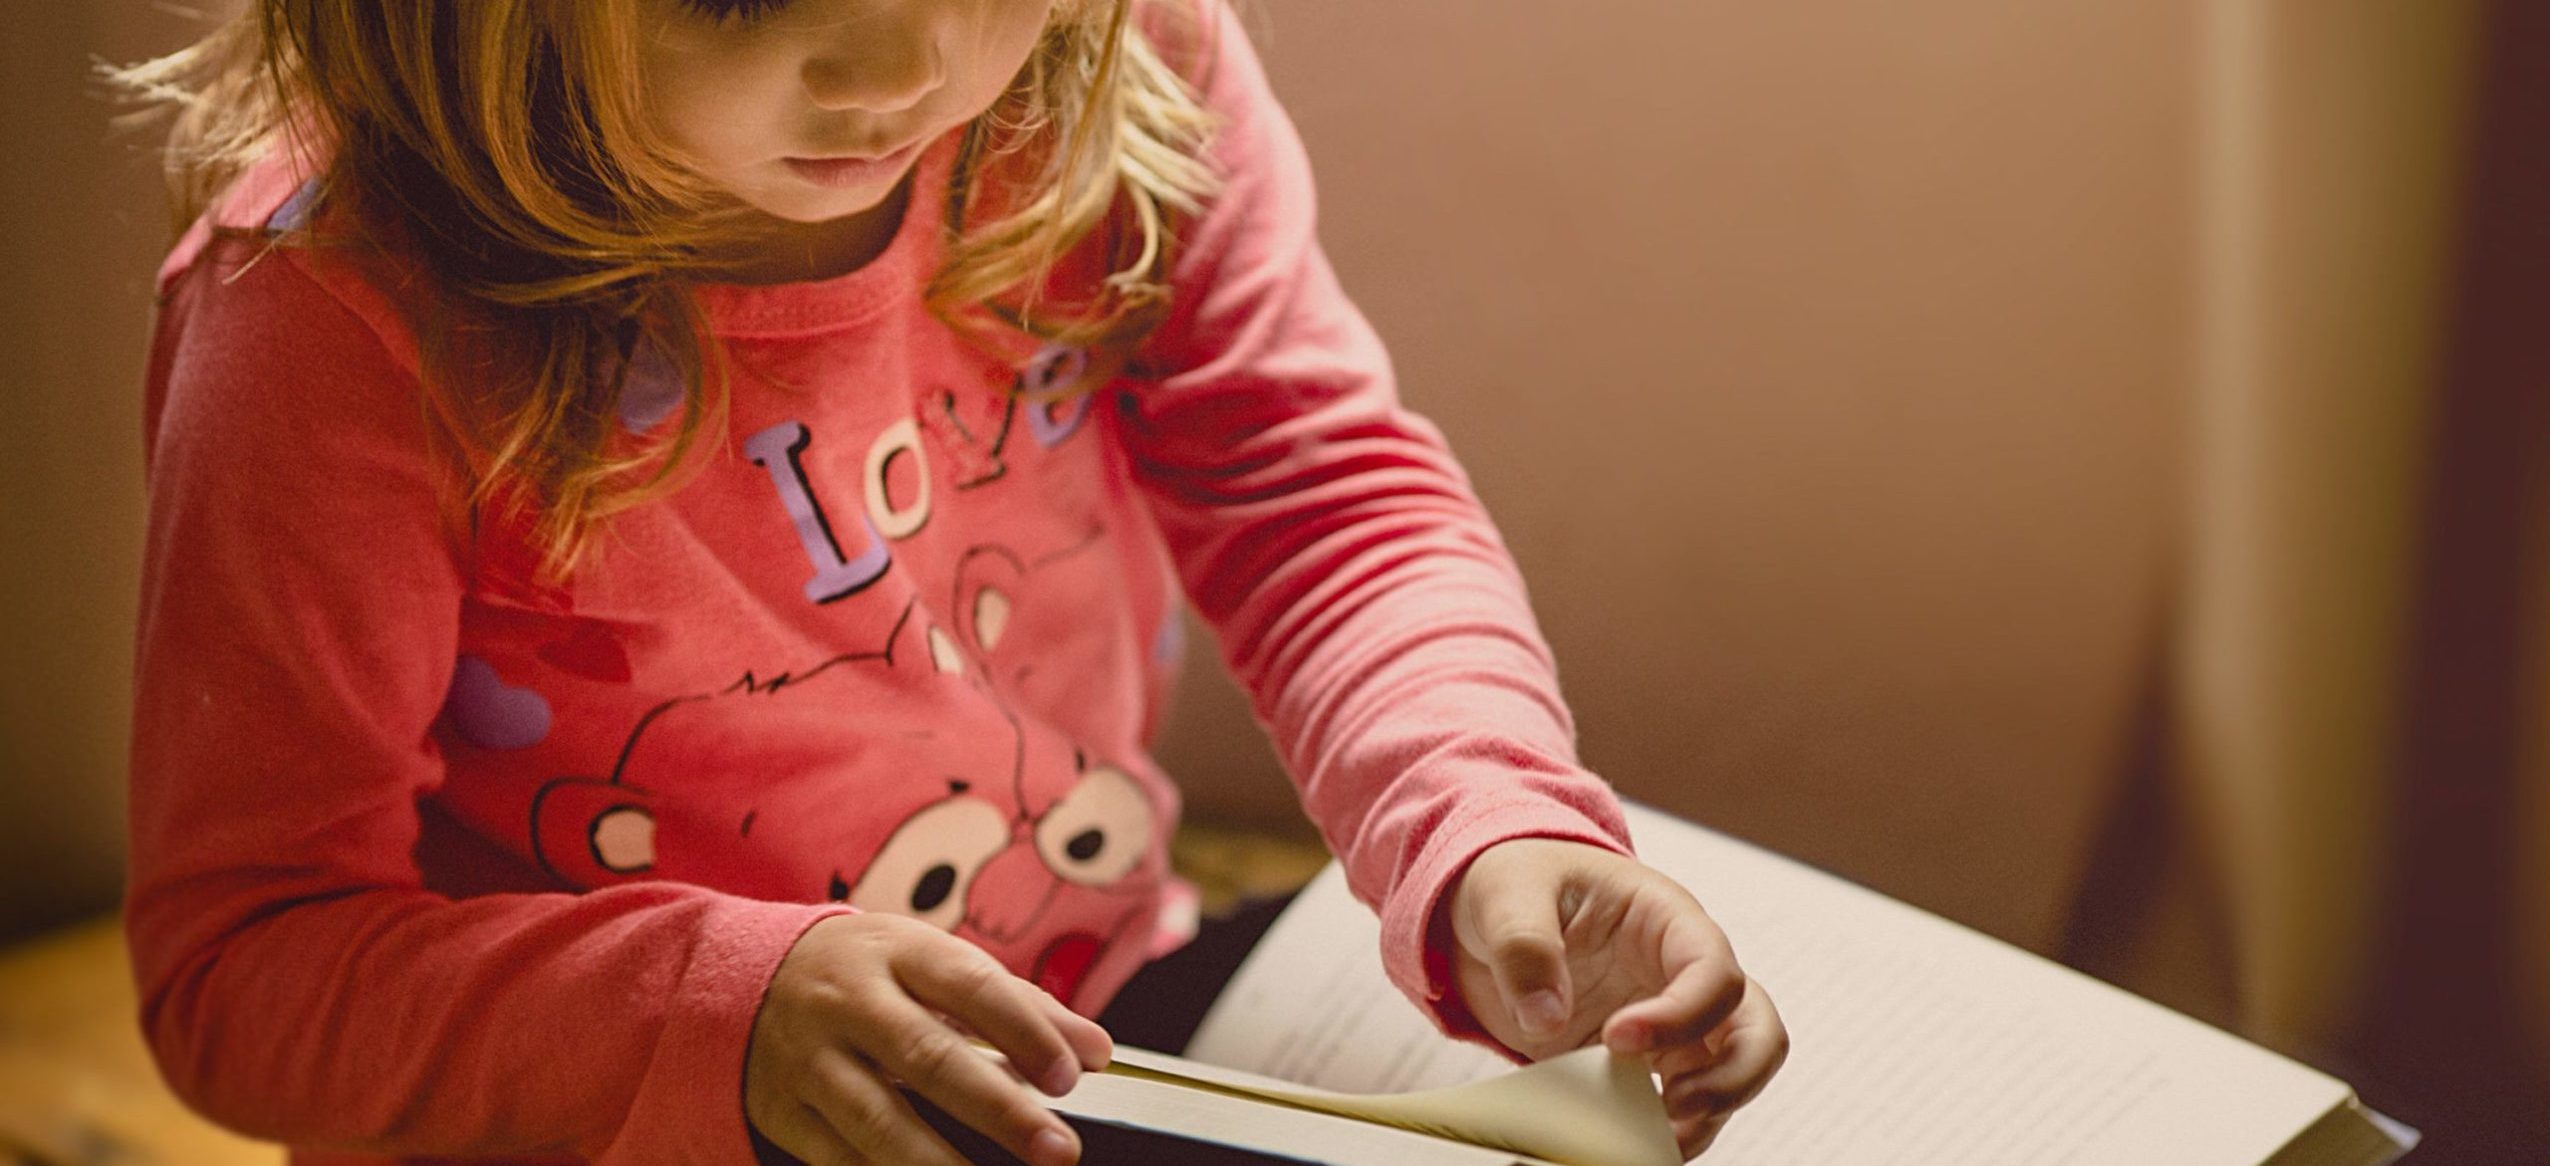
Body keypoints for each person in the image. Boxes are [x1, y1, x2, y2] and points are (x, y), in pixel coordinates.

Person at [115, 2, 1788, 1164]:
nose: (906, 64)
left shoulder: (1102, 66)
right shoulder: (329, 315)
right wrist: (706, 1012)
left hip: (1096, 1024)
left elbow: (1317, 494)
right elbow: (246, 969)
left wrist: (1487, 812)